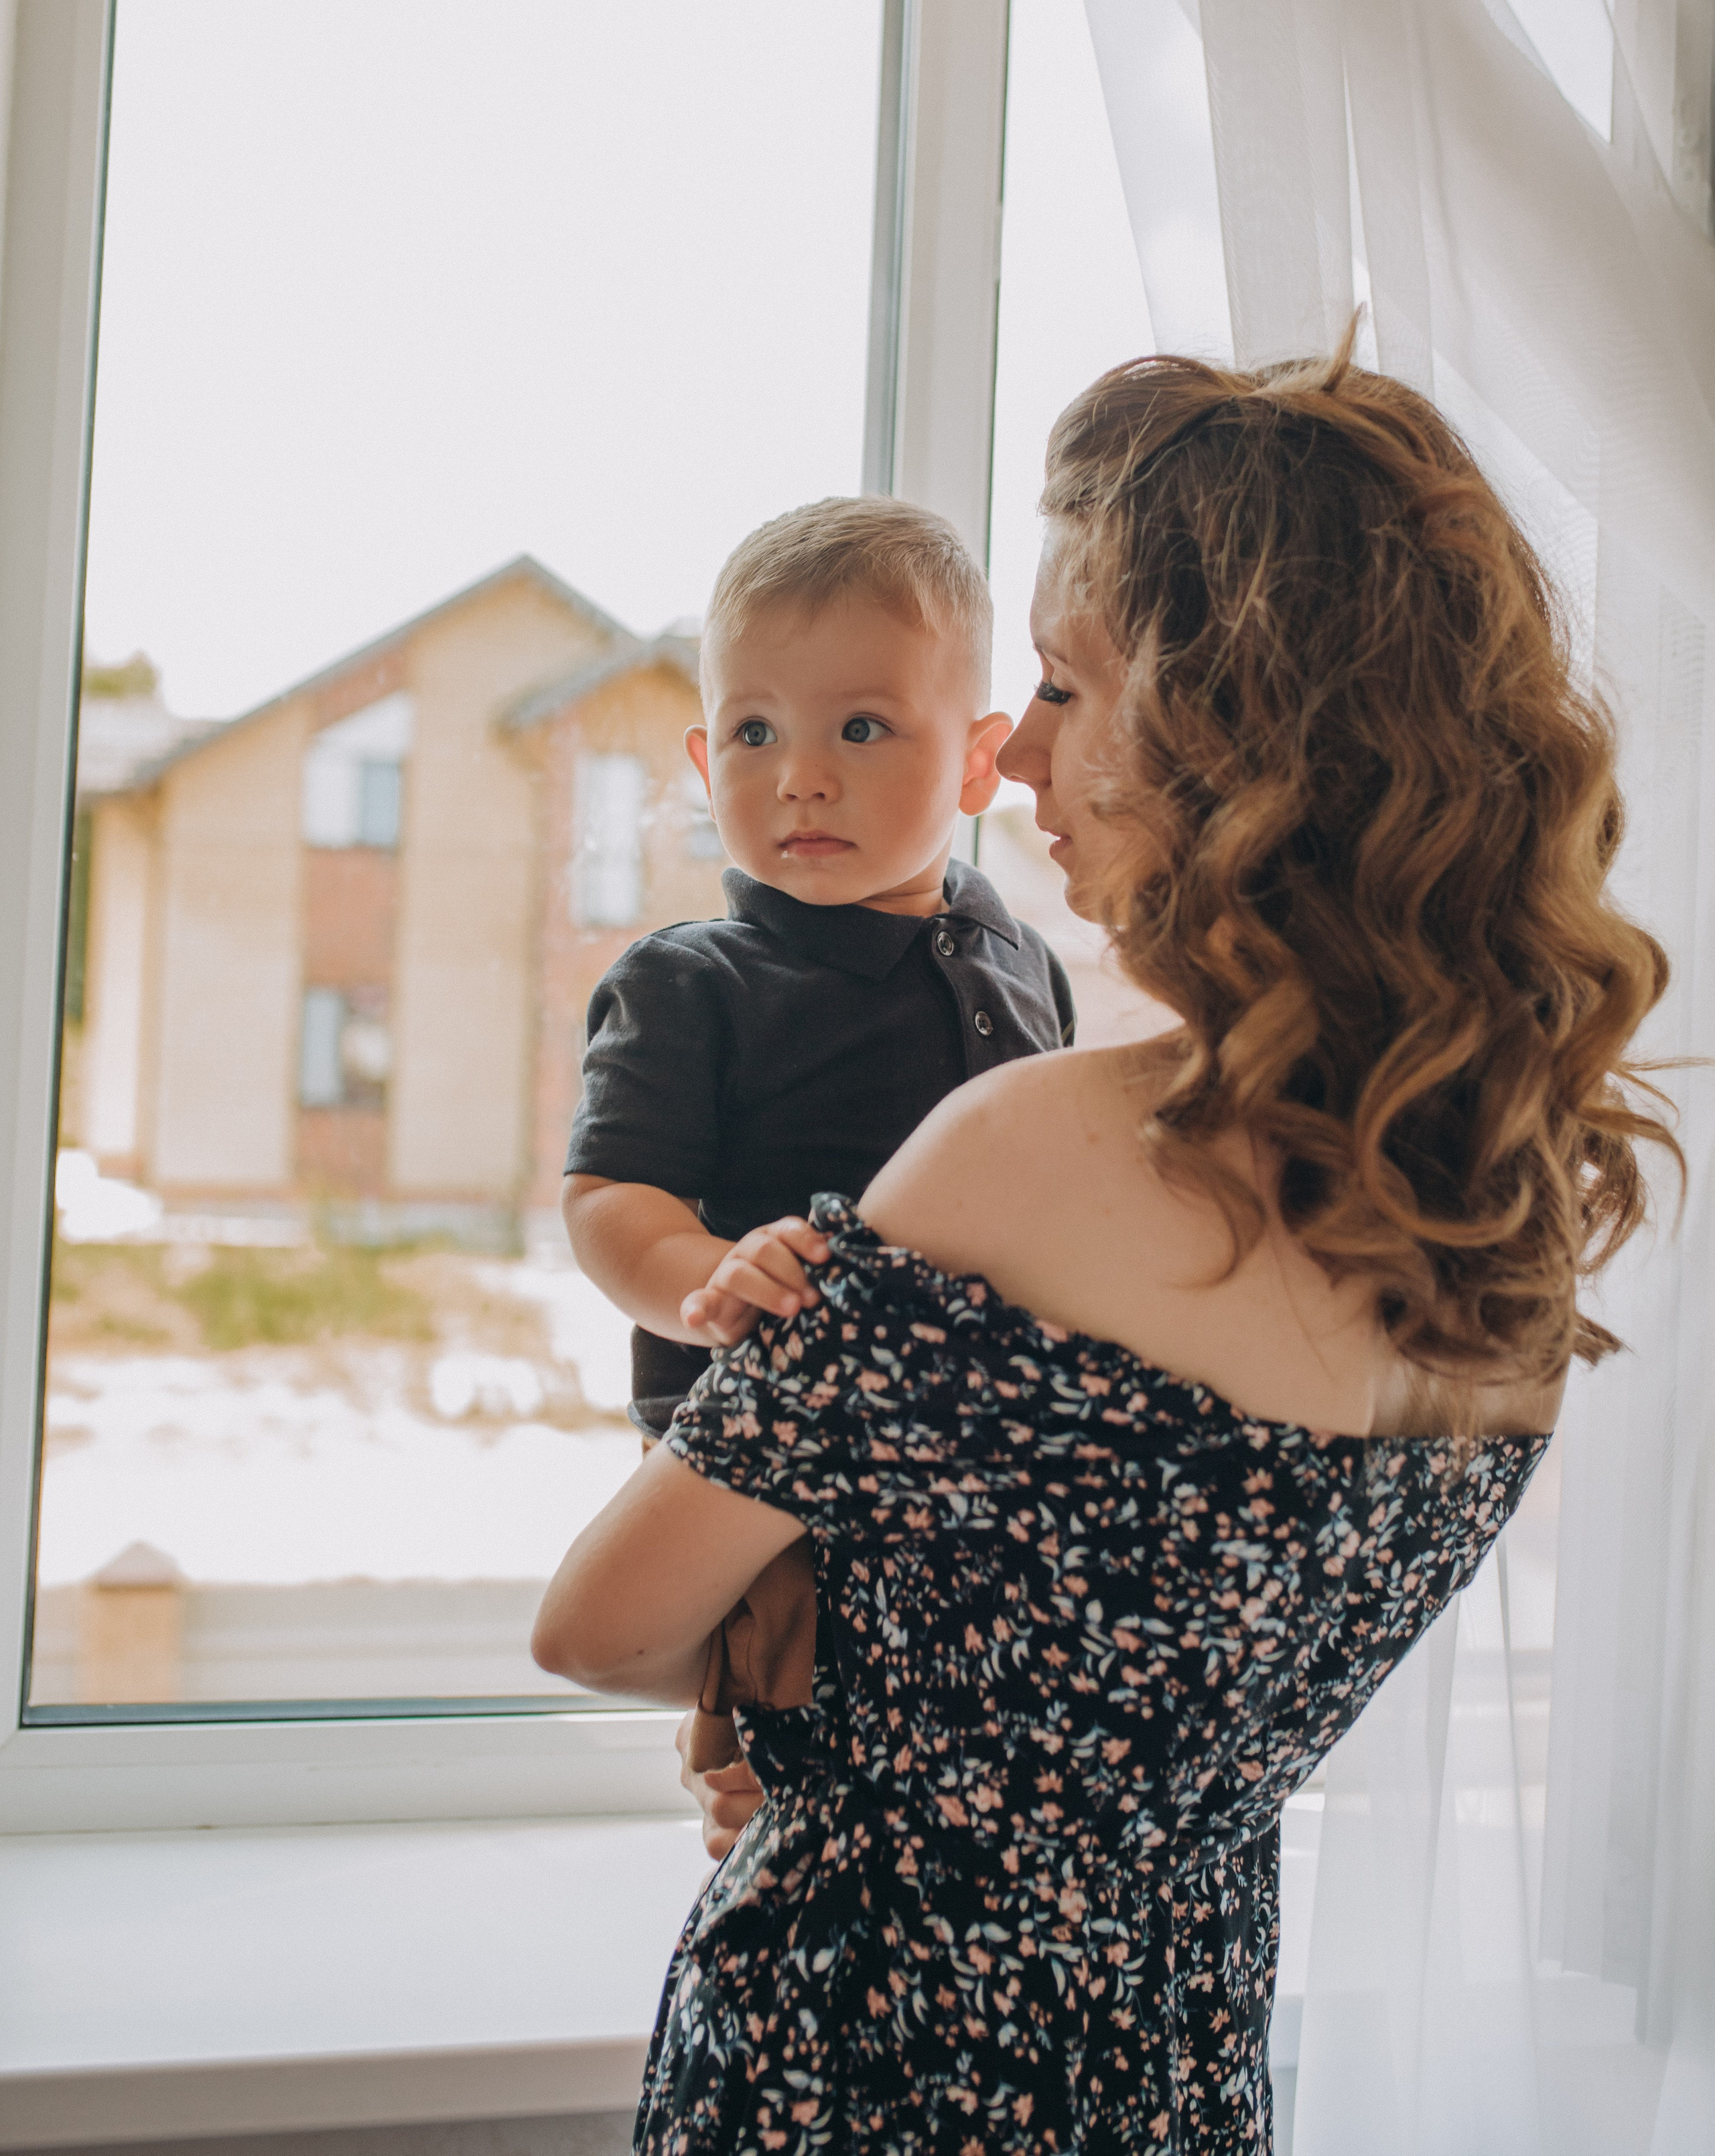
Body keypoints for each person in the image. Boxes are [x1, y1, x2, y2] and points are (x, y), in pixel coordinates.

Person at [534, 339, 1677, 2154]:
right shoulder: (1512, 1220)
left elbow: (596, 1627)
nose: (1027, 755)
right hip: (1172, 2048)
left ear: (1241, 729)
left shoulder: (1031, 1145)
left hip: (864, 2064)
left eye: (1065, 685)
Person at [562, 496, 1074, 1759]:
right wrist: (704, 1284)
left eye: (861, 726)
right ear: (702, 766)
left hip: (978, 1460)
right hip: (770, 1473)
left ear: (973, 759)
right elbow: (611, 1200)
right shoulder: (693, 981)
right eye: (753, 730)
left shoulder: (1026, 962)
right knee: (780, 1760)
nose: (801, 774)